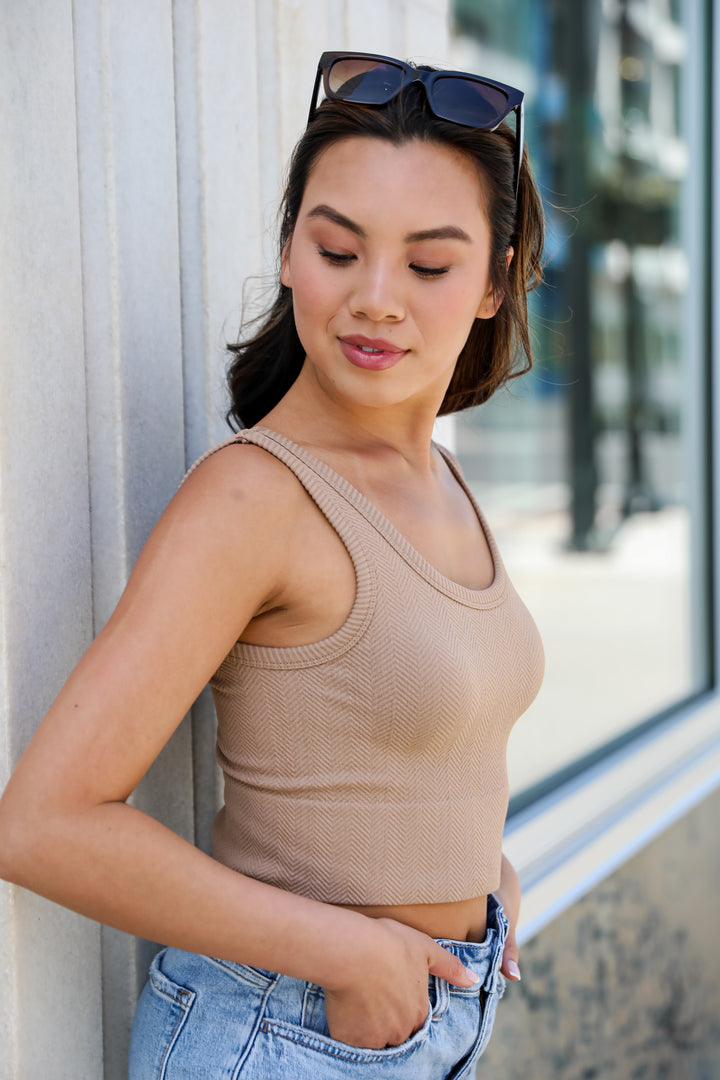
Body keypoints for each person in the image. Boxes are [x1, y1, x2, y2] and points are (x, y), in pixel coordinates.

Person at [0, 51, 545, 1078]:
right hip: (289, 1032)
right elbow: (41, 824)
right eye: (339, 249)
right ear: (291, 248)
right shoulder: (256, 498)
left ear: (495, 282)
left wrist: (491, 883)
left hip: (429, 1013)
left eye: (428, 266)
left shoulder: (436, 478)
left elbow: (423, 745)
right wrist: (348, 951)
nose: (375, 299)